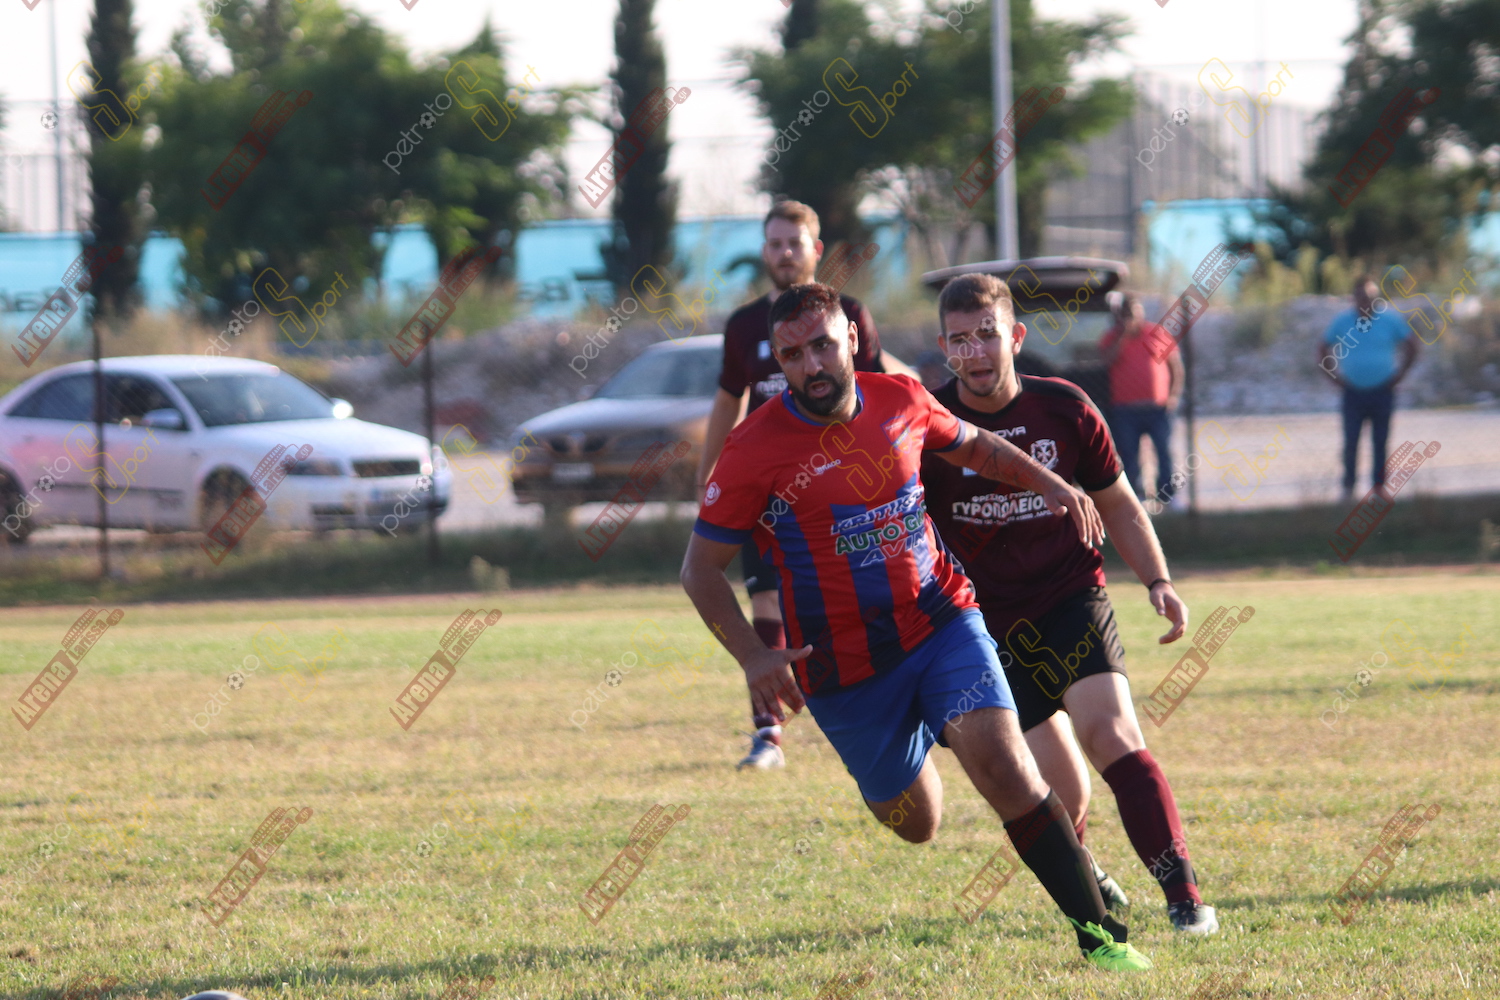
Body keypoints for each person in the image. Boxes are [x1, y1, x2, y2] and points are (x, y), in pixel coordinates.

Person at [681, 282, 1153, 971]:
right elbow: (699, 570)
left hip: (940, 621)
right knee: (917, 823)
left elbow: (976, 446)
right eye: (792, 355)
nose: (812, 366)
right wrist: (753, 656)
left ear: (851, 339)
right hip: (844, 667)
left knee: (1005, 768)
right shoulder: (754, 447)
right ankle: (932, 735)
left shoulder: (902, 398)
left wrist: (1051, 483)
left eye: (823, 346)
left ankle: (1101, 936)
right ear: (778, 362)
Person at [919, 273, 1219, 935]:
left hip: (1070, 598)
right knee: (1063, 793)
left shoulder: (1065, 408)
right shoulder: (928, 426)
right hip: (985, 628)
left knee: (1111, 735)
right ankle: (1088, 877)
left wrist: (1158, 581)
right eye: (960, 339)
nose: (974, 351)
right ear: (944, 347)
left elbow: (1119, 503)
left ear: (1015, 337)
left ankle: (1185, 896)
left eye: (987, 334)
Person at [695, 199, 914, 770]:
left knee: (856, 594)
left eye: (794, 243)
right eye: (774, 244)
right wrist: (706, 474)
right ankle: (768, 733)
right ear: (764, 252)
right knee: (764, 597)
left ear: (816, 250)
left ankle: (891, 700)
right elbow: (728, 400)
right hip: (768, 491)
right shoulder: (744, 325)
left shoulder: (850, 313)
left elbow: (883, 398)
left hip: (841, 488)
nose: (784, 254)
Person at [1315, 275, 1419, 502]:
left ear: (1376, 297)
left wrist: (1400, 374)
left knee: (1380, 441)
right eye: (1361, 296)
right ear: (1353, 298)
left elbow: (1411, 345)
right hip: (1353, 392)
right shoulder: (1343, 321)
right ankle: (1348, 487)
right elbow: (1323, 347)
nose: (1365, 301)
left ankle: (1379, 488)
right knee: (1351, 441)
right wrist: (1334, 378)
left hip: (1382, 390)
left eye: (1370, 297)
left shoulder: (1389, 320)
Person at [1099, 294, 1183, 507]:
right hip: (1125, 409)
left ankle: (1168, 495)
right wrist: (1122, 336)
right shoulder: (1112, 337)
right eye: (1127, 314)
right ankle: (1135, 496)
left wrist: (1173, 395)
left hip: (1157, 408)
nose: (1131, 318)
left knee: (1163, 451)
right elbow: (1107, 360)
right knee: (1128, 453)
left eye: (1135, 313)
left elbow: (1175, 367)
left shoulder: (1156, 333)